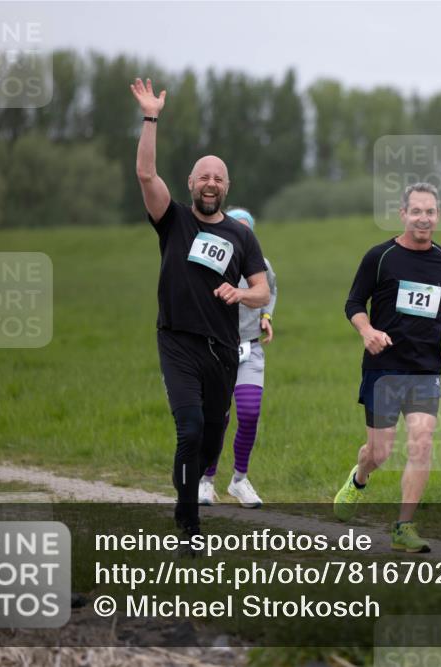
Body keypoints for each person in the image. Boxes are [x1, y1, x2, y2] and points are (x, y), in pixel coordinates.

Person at [130, 78, 270, 549]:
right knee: (188, 427)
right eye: (203, 176)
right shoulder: (174, 220)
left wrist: (241, 294)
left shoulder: (241, 235)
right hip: (177, 340)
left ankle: (185, 481)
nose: (210, 183)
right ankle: (189, 524)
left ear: (226, 187)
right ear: (190, 183)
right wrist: (151, 118)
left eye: (218, 178)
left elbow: (262, 289)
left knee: (211, 437)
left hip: (224, 349)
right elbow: (147, 176)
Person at [333, 182, 441, 553]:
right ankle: (359, 478)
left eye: (430, 211)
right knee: (380, 454)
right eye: (417, 211)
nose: (424, 218)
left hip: (425, 368)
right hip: (383, 367)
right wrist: (367, 330)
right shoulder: (381, 257)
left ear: (438, 215)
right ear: (403, 214)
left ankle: (404, 526)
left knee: (421, 442)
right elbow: (354, 303)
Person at [198, 207, 276, 508]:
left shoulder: (262, 266)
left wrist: (267, 315)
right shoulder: (209, 264)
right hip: (215, 349)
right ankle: (206, 480)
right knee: (216, 417)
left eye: (247, 232)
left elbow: (272, 290)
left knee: (249, 411)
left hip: (250, 347)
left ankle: (240, 480)